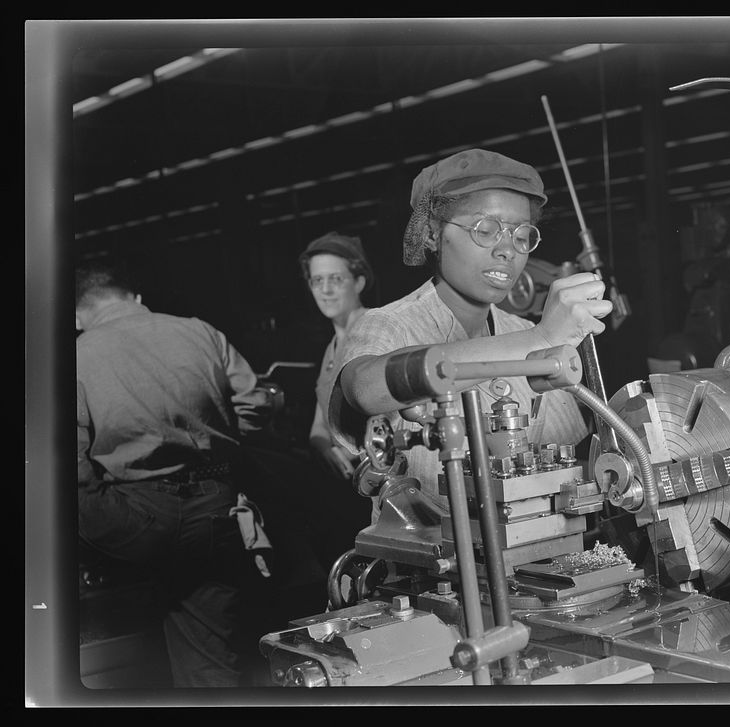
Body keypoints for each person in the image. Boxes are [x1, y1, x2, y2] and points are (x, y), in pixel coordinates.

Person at [329, 148, 612, 520]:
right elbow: (365, 390)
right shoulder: (390, 325)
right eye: (486, 229)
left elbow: (573, 451)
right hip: (436, 565)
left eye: (522, 235)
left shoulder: (521, 330)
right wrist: (540, 341)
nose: (507, 250)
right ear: (432, 234)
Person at [76, 259, 273, 688]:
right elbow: (255, 405)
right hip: (216, 509)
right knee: (207, 658)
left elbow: (67, 451)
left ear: (77, 314)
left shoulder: (77, 354)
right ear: (137, 300)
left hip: (132, 520)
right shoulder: (201, 331)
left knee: (126, 653)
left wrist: (93, 507)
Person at [300, 233, 373, 480]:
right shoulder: (331, 347)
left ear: (359, 282)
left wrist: (347, 453)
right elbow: (318, 426)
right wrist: (327, 450)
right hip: (339, 475)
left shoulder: (376, 330)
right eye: (317, 280)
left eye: (336, 279)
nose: (326, 290)